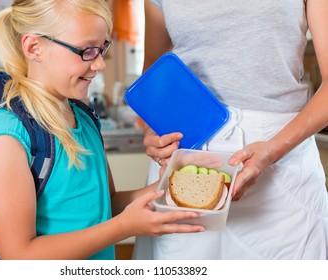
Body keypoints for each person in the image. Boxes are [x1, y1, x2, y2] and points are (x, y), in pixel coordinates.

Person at [0, 0, 205, 260]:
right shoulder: (9, 134)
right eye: (87, 51)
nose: (100, 65)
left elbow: (108, 203)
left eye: (102, 49)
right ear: (34, 47)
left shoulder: (82, 116)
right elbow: (19, 256)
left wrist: (167, 186)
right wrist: (124, 228)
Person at [133, 0, 328, 259]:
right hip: (187, 160)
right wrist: (153, 130)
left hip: (281, 156)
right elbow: (154, 76)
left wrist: (272, 150)